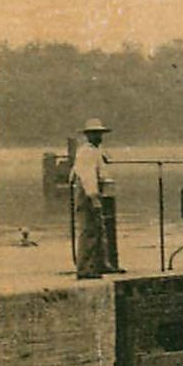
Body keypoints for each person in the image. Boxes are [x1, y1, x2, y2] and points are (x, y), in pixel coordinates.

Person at [69, 118, 116, 278]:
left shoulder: (96, 150)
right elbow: (88, 177)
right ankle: (85, 268)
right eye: (95, 134)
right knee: (88, 230)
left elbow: (102, 169)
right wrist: (94, 197)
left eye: (100, 133)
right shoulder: (86, 152)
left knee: (99, 228)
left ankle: (102, 263)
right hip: (88, 192)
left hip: (95, 190)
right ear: (88, 135)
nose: (99, 136)